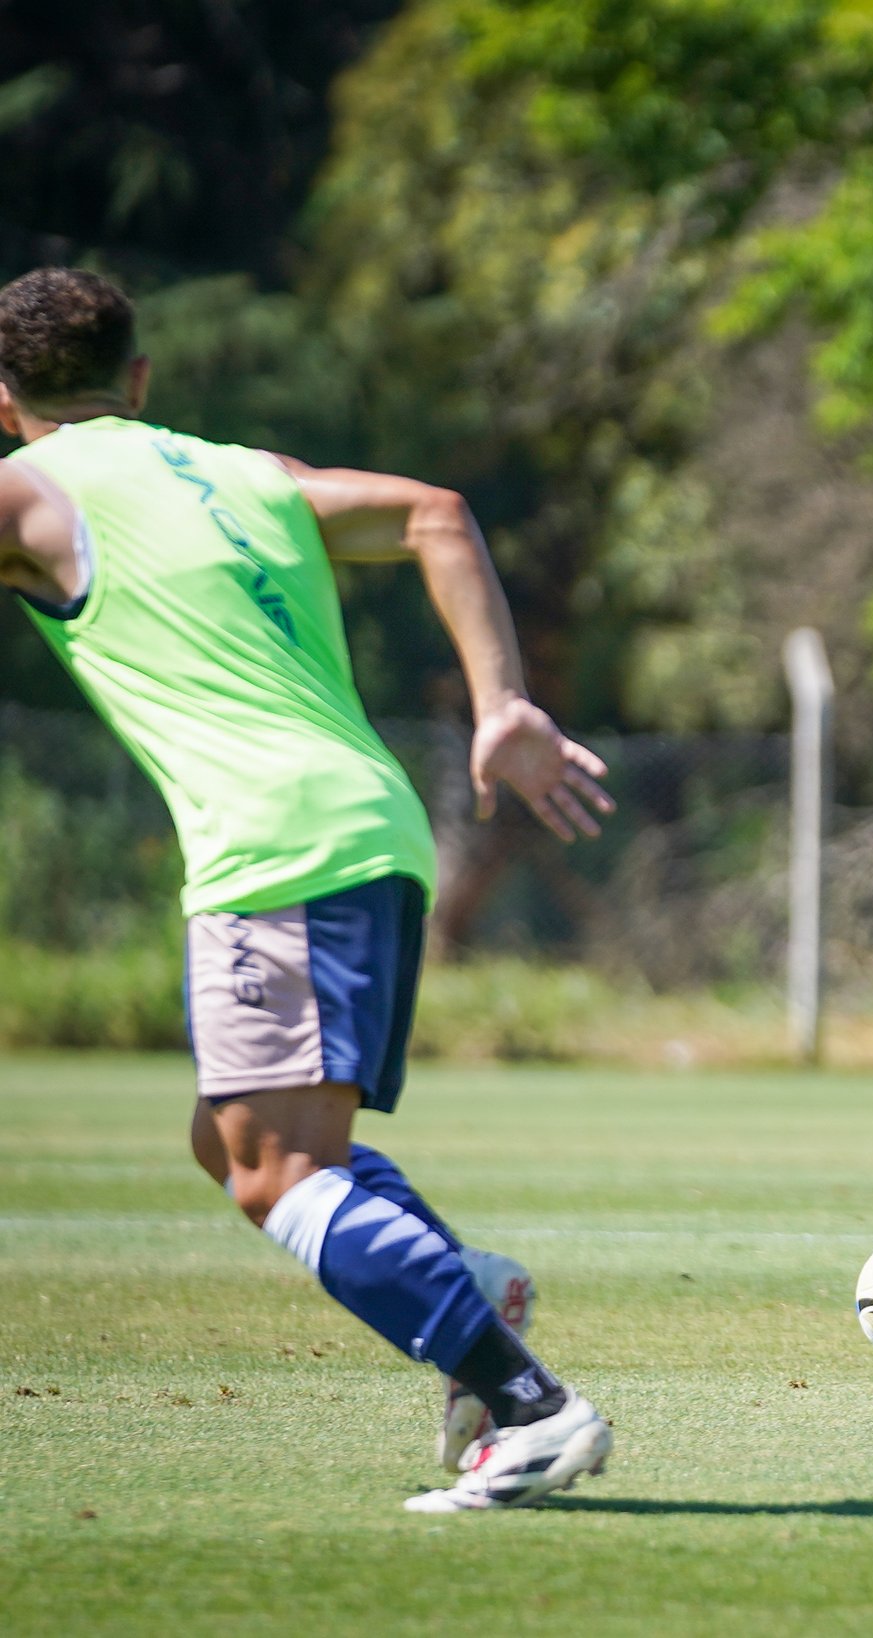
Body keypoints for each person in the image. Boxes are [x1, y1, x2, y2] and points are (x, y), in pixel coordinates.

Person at [0, 267, 612, 1511]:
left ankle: (531, 1406)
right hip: (370, 825)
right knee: (232, 1141)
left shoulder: (23, 492)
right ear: (138, 380)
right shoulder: (240, 472)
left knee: (273, 1172)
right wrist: (501, 706)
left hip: (273, 850)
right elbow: (438, 513)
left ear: (4, 397)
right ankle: (462, 1279)